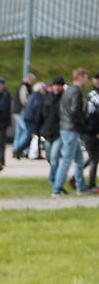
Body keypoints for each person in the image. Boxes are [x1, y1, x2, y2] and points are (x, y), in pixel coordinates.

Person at [52, 68, 90, 197]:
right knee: (67, 160)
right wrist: (82, 123)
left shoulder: (67, 91)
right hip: (72, 129)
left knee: (79, 160)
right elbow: (75, 112)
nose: (87, 80)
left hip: (65, 128)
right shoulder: (76, 92)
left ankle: (81, 187)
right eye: (86, 77)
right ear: (80, 77)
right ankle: (57, 188)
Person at [39, 77, 63, 179]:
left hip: (59, 132)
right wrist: (36, 129)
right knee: (49, 157)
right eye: (55, 85)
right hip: (48, 131)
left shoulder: (64, 98)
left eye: (58, 85)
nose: (56, 87)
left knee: (54, 156)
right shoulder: (47, 98)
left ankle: (52, 179)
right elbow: (40, 115)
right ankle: (56, 172)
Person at [83, 74, 99, 194]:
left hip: (87, 130)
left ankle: (75, 176)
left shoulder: (89, 95)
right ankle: (91, 184)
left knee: (93, 156)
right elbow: (95, 116)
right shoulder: (94, 97)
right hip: (91, 131)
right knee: (94, 157)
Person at [13, 73, 35, 157]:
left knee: (19, 132)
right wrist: (29, 106)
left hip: (17, 111)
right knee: (26, 131)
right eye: (33, 80)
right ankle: (19, 149)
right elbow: (24, 99)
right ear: (29, 79)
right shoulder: (24, 86)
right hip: (21, 112)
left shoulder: (22, 85)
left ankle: (16, 148)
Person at [23, 81, 47, 159]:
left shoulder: (33, 95)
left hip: (28, 117)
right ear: (40, 89)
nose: (45, 90)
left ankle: (34, 152)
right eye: (44, 88)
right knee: (33, 135)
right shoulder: (38, 97)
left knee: (33, 136)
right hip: (32, 118)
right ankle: (18, 149)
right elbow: (38, 108)